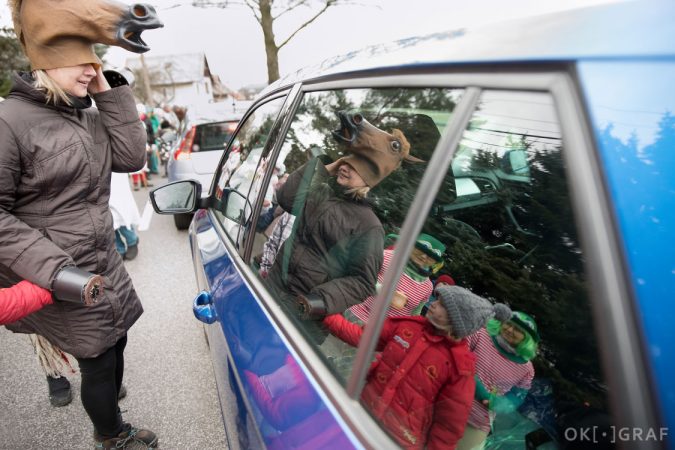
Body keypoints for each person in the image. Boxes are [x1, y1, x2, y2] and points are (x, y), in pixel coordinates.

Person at [0, 4, 159, 448]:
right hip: (63, 270)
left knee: (118, 341)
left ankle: (109, 409)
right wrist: (55, 271)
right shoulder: (8, 123)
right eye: (82, 60)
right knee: (98, 359)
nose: (92, 69)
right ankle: (111, 434)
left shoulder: (85, 112)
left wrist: (106, 90)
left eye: (96, 58)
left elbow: (130, 157)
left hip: (104, 259)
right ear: (46, 62)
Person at [266, 111, 421, 322]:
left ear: (370, 179)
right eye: (347, 160)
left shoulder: (368, 226)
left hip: (300, 315)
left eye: (357, 166)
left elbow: (362, 281)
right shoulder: (323, 192)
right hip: (272, 289)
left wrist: (316, 301)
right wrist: (327, 167)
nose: (346, 166)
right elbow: (286, 198)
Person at [324, 285, 512, 449]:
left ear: (457, 319)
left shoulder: (458, 367)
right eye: (436, 299)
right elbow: (361, 336)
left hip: (396, 440)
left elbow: (448, 426)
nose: (433, 304)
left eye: (442, 305)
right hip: (362, 412)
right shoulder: (407, 328)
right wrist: (324, 313)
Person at [457, 311, 539, 450]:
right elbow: (460, 357)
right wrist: (481, 392)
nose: (510, 330)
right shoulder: (481, 335)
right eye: (508, 324)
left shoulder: (527, 368)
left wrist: (499, 404)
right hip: (450, 403)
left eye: (518, 330)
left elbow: (517, 397)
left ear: (527, 339)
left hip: (478, 422)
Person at [109, 172, 141, 260]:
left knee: (121, 214)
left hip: (115, 177)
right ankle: (119, 248)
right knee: (107, 222)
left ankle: (132, 241)